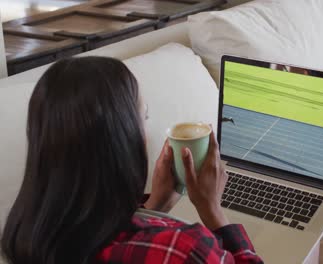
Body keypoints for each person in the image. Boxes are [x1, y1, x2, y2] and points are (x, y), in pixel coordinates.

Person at [0, 57, 263, 264]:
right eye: (143, 118)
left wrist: (154, 206)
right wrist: (212, 210)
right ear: (123, 139)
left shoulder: (24, 235)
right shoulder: (184, 249)